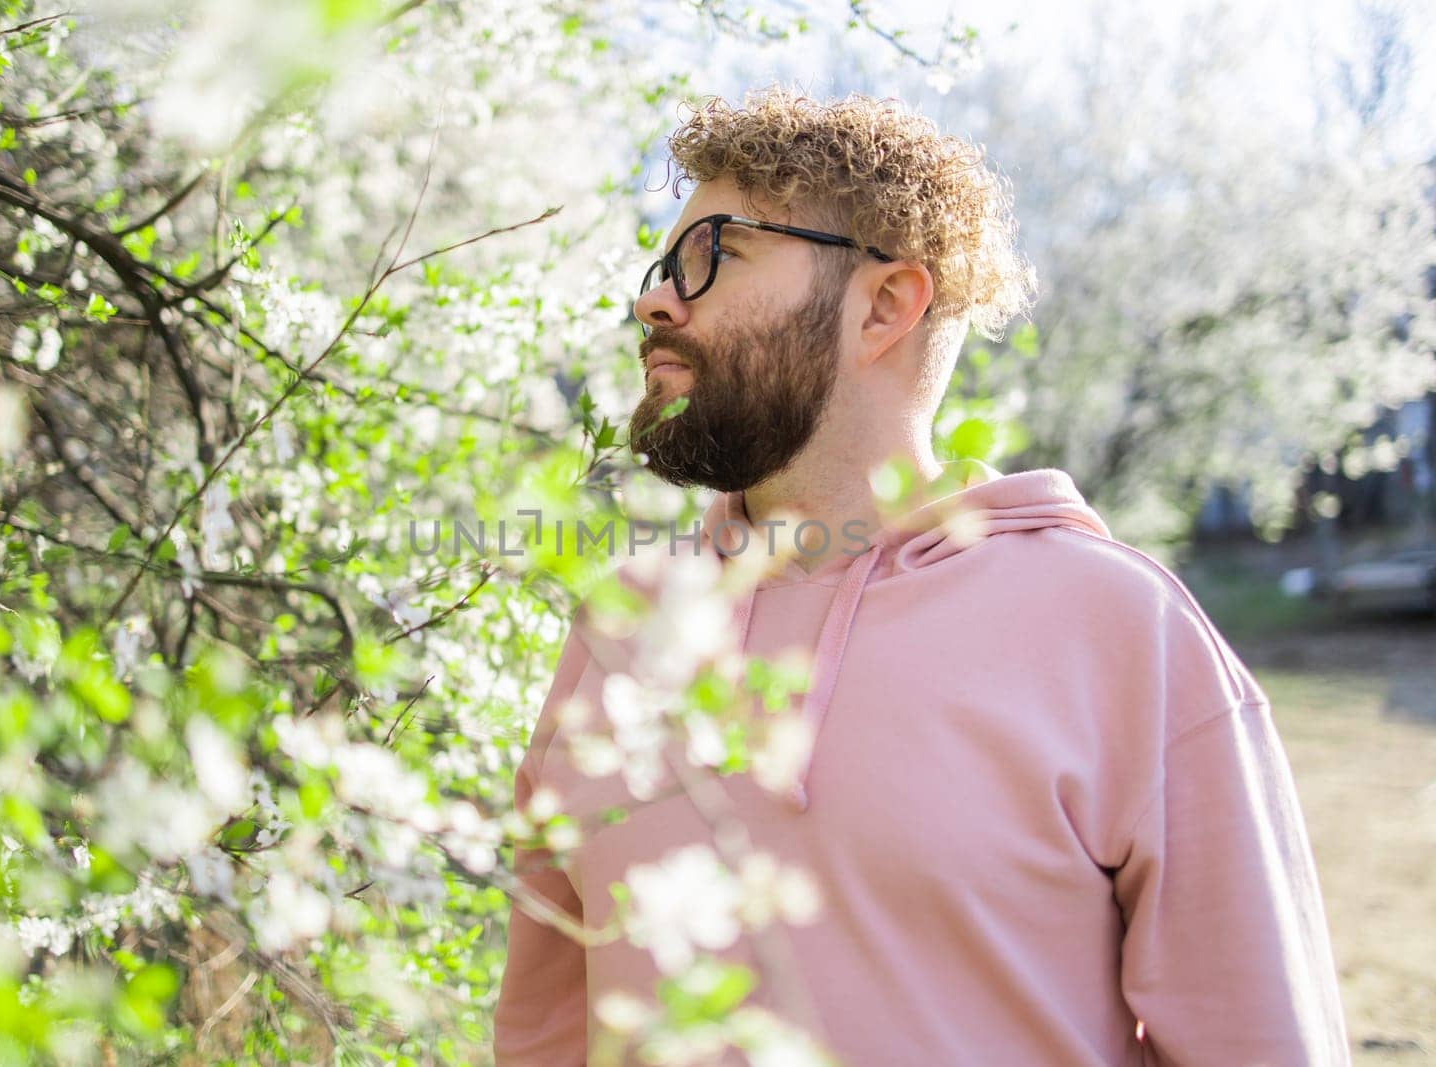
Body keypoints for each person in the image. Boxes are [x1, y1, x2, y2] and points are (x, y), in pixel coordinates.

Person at [493, 89, 1349, 1066]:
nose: (654, 300)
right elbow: (543, 1028)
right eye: (661, 265)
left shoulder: (1113, 626)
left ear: (886, 305)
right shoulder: (623, 624)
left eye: (714, 254)